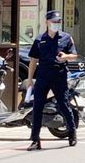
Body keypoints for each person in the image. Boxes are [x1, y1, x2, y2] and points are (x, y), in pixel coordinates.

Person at [26, 10, 79, 151]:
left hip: (59, 74)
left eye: (58, 22)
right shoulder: (39, 39)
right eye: (53, 22)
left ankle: (72, 132)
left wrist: (66, 57)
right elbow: (33, 60)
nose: (56, 24)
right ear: (47, 22)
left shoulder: (66, 38)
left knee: (63, 104)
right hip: (43, 74)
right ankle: (35, 139)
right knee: (37, 106)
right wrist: (30, 79)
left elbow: (75, 55)